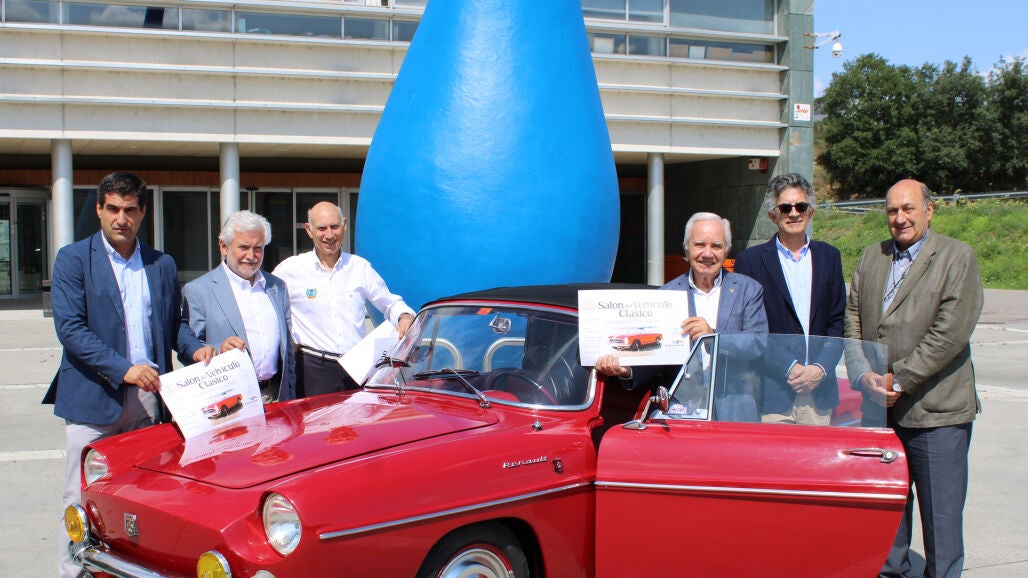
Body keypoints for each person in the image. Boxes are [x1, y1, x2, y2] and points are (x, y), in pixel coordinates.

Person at [43, 172, 214, 578]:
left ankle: (129, 568)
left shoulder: (161, 264)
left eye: (130, 210)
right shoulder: (73, 259)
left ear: (143, 212)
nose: (122, 218)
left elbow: (174, 325)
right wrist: (124, 370)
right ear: (99, 210)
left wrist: (195, 349)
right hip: (93, 400)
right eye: (113, 209)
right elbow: (71, 330)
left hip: (149, 402)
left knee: (140, 496)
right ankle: (75, 571)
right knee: (80, 494)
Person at [844, 179, 983, 578]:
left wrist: (898, 380)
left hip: (936, 412)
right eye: (892, 210)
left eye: (908, 208)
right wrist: (863, 374)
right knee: (886, 511)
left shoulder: (957, 257)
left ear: (929, 210)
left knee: (941, 518)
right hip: (880, 412)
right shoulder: (872, 257)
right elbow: (852, 321)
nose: (900, 218)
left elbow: (950, 333)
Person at [596, 212, 768, 403]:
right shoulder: (666, 295)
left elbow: (758, 343)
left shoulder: (748, 289)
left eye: (716, 246)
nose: (708, 253)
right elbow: (656, 352)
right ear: (686, 249)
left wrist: (713, 336)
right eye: (699, 245)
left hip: (733, 405)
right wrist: (627, 370)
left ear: (727, 250)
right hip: (683, 407)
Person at [734, 173, 846, 425]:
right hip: (773, 392)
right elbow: (751, 329)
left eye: (801, 206)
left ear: (810, 212)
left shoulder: (830, 256)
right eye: (785, 208)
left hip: (818, 393)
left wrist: (821, 368)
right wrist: (789, 366)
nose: (794, 213)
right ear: (772, 215)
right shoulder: (749, 262)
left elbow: (837, 321)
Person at [272, 202, 415, 396]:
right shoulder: (290, 270)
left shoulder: (359, 267)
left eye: (334, 227)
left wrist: (404, 316)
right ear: (309, 230)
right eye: (322, 228)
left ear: (344, 225)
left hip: (357, 369)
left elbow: (391, 304)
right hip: (312, 371)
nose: (329, 235)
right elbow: (265, 306)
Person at [180, 210, 296, 403]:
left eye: (258, 248)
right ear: (223, 247)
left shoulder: (277, 287)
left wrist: (290, 394)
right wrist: (218, 351)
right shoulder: (199, 291)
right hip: (229, 400)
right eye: (243, 247)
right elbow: (188, 349)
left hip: (277, 396)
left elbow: (287, 350)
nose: (251, 256)